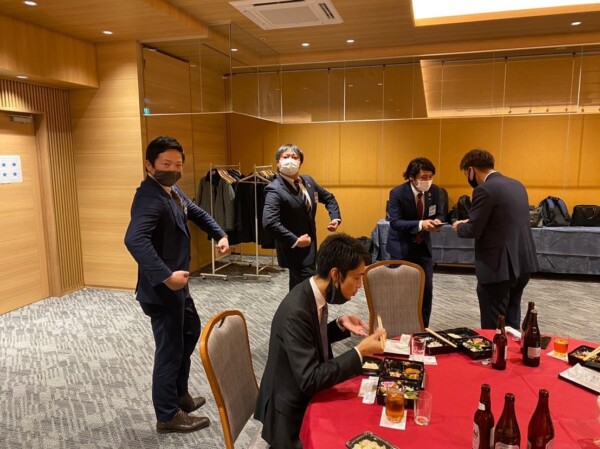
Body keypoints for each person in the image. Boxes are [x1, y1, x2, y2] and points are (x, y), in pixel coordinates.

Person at [124, 136, 229, 433]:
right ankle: (167, 415)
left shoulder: (171, 191)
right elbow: (134, 239)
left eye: (178, 164)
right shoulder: (149, 197)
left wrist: (219, 233)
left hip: (179, 286)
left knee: (189, 332)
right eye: (166, 164)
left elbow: (196, 211)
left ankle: (179, 394)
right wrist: (166, 276)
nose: (173, 169)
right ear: (149, 165)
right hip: (162, 290)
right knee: (169, 350)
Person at [254, 233, 386, 449]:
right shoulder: (297, 311)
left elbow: (307, 339)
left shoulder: (311, 292)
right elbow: (310, 379)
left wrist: (339, 324)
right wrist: (359, 352)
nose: (360, 285)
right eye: (357, 278)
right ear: (336, 274)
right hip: (290, 416)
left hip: (301, 392)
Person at [452, 149, 538, 329]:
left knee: (494, 326)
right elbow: (503, 219)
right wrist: (472, 221)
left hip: (498, 267)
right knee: (512, 321)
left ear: (471, 170)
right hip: (522, 263)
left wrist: (459, 226)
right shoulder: (517, 185)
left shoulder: (484, 189)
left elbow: (473, 230)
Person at [263, 144, 342, 291]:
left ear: (300, 162)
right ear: (278, 162)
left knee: (298, 289)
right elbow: (269, 222)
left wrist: (335, 218)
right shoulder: (274, 189)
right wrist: (295, 241)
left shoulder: (308, 181)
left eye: (295, 157)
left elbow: (329, 198)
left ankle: (293, 306)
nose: (290, 160)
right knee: (312, 289)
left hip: (311, 246)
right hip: (293, 249)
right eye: (286, 157)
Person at [385, 157, 445, 327]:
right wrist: (420, 224)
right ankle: (400, 326)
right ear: (411, 177)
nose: (428, 181)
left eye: (430, 177)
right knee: (401, 290)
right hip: (401, 248)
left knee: (426, 290)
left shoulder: (435, 191)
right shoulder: (397, 193)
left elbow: (440, 213)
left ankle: (423, 327)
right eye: (423, 177)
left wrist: (437, 221)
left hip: (423, 247)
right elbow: (395, 222)